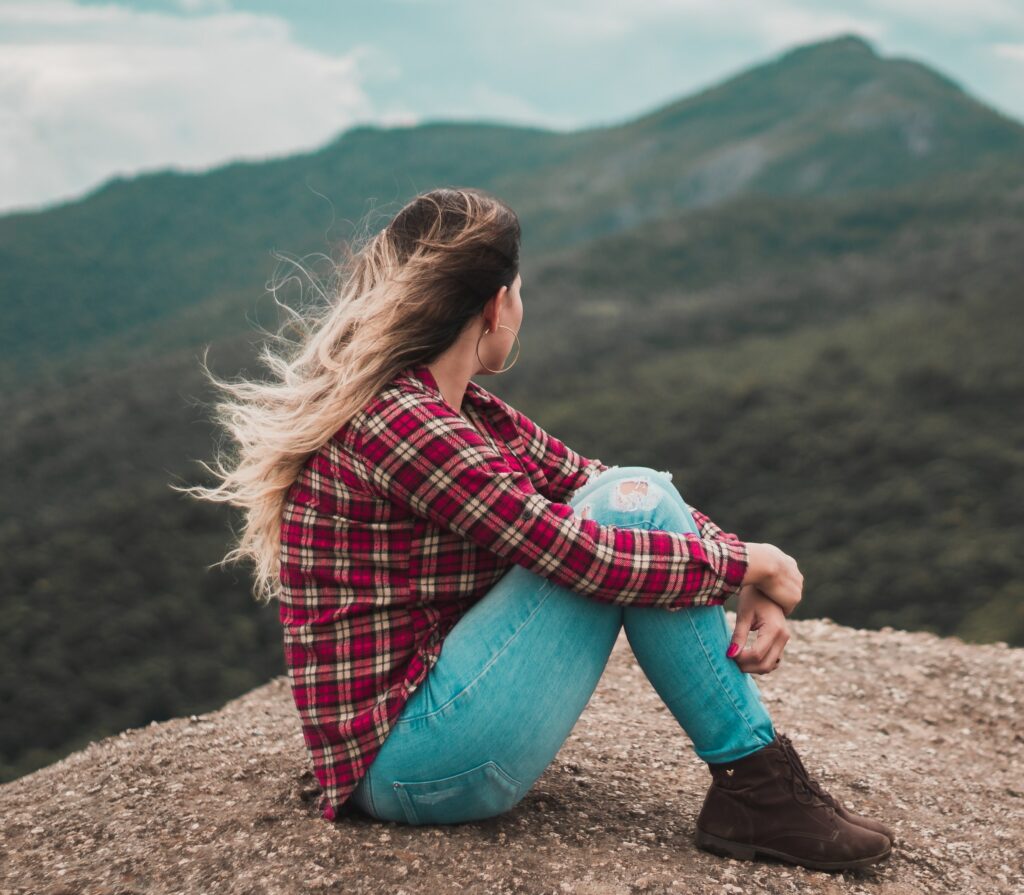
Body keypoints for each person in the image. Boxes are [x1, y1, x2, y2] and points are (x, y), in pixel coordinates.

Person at [184, 186, 894, 872]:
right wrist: (748, 564)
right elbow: (579, 551)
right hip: (409, 761)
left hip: (428, 732)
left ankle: (759, 788)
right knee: (621, 514)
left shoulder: (456, 411)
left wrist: (745, 569)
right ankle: (759, 789)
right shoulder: (406, 424)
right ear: (497, 305)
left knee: (628, 490)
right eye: (518, 294)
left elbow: (604, 482)